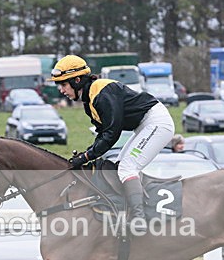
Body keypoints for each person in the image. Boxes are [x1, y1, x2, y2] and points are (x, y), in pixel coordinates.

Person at [49, 54, 174, 233]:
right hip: (144, 124)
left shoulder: (101, 92)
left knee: (127, 168)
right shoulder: (89, 100)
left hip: (156, 122)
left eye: (63, 84)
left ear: (77, 80)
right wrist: (88, 153)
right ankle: (128, 209)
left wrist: (86, 156)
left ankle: (139, 219)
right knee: (118, 166)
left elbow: (111, 134)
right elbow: (102, 133)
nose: (61, 90)